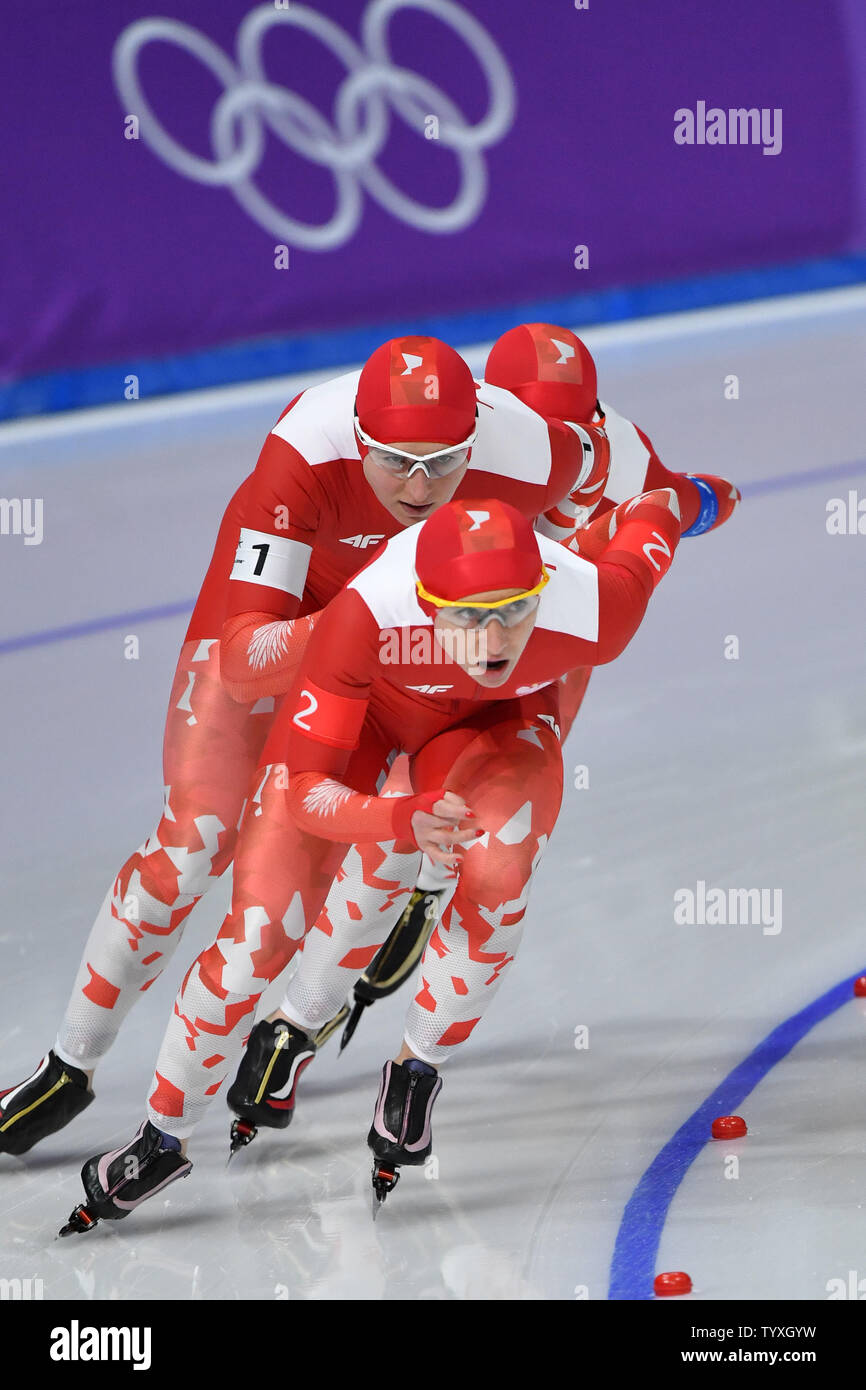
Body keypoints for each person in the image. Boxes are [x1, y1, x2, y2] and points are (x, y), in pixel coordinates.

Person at [0, 335, 609, 1160]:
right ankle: (68, 1060)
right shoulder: (302, 458)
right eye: (397, 461)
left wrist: (688, 504)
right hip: (283, 629)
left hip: (399, 647)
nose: (422, 487)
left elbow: (593, 556)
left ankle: (310, 1002)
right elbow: (245, 662)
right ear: (359, 440)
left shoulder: (542, 454)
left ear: (479, 437)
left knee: (366, 825)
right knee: (195, 843)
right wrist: (362, 625)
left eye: (445, 462)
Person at [59, 487, 683, 1229]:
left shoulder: (595, 610)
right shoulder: (366, 616)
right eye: (467, 619)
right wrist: (399, 815)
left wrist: (703, 498)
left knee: (499, 868)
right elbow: (305, 796)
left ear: (543, 590)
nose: (493, 640)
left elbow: (658, 510)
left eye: (515, 610)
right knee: (261, 935)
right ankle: (163, 1133)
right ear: (424, 602)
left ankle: (416, 1068)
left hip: (493, 726)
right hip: (368, 717)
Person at [274, 321, 741, 1060]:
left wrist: (704, 500)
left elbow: (674, 501)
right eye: (537, 425)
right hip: (446, 634)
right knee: (400, 805)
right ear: (500, 415)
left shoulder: (620, 454)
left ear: (596, 422)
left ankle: (425, 887)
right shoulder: (485, 447)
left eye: (575, 428)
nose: (556, 444)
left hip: (538, 646)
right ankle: (329, 981)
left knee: (499, 798)